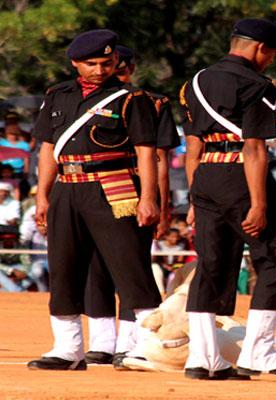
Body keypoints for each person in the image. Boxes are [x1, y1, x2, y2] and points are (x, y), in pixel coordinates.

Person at [179, 18, 276, 380]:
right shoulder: (257, 85)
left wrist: (195, 197)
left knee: (211, 263)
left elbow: (192, 146)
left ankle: (203, 358)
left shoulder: (195, 82)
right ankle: (259, 352)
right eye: (271, 54)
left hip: (205, 175)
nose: (270, 60)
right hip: (240, 176)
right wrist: (258, 204)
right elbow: (254, 149)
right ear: (260, 49)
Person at [26, 29, 162, 371]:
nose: (100, 70)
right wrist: (42, 196)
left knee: (131, 267)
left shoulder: (132, 98)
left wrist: (148, 197)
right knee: (64, 269)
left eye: (107, 62)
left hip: (113, 186)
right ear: (75, 63)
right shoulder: (57, 96)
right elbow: (46, 150)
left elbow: (147, 153)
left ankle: (146, 346)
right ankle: (68, 348)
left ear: (116, 60)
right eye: (91, 64)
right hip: (67, 186)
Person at [80, 44, 181, 367]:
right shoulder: (84, 101)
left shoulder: (151, 102)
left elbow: (160, 159)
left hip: (133, 189)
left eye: (120, 70)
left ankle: (132, 341)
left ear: (131, 69)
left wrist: (161, 206)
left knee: (131, 268)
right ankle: (102, 341)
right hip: (92, 189)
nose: (114, 75)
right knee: (95, 266)